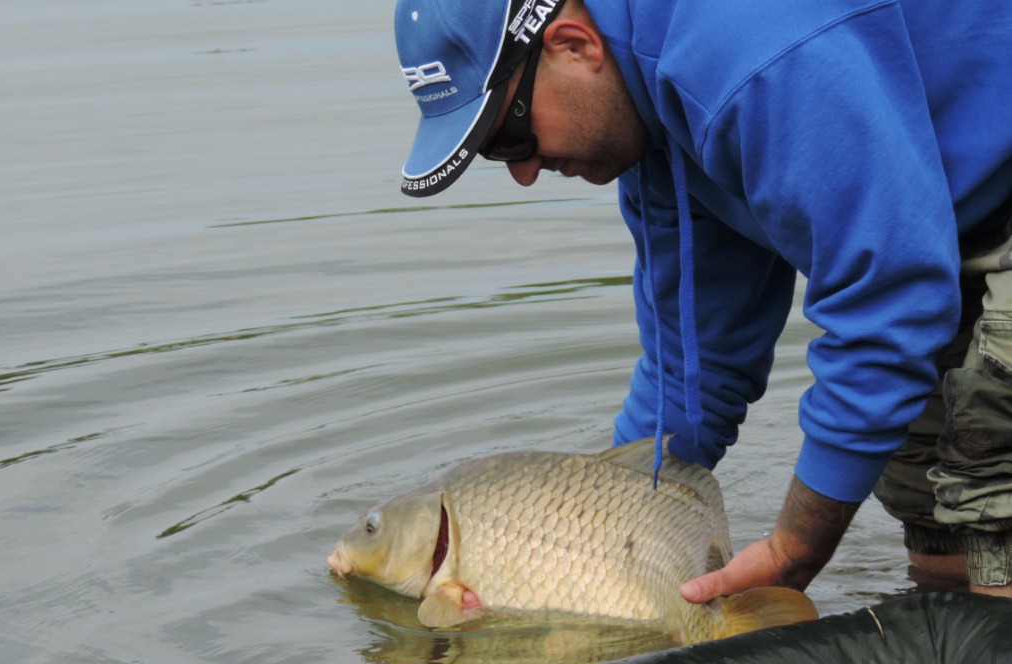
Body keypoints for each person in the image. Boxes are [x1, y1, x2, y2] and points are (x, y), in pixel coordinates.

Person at [392, 0, 1012, 601]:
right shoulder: (647, 128)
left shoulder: (753, 55)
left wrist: (794, 548)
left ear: (574, 45)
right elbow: (695, 369)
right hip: (938, 221)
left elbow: (887, 304)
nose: (523, 172)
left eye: (510, 137)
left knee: (993, 496)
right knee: (937, 524)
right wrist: (581, 538)